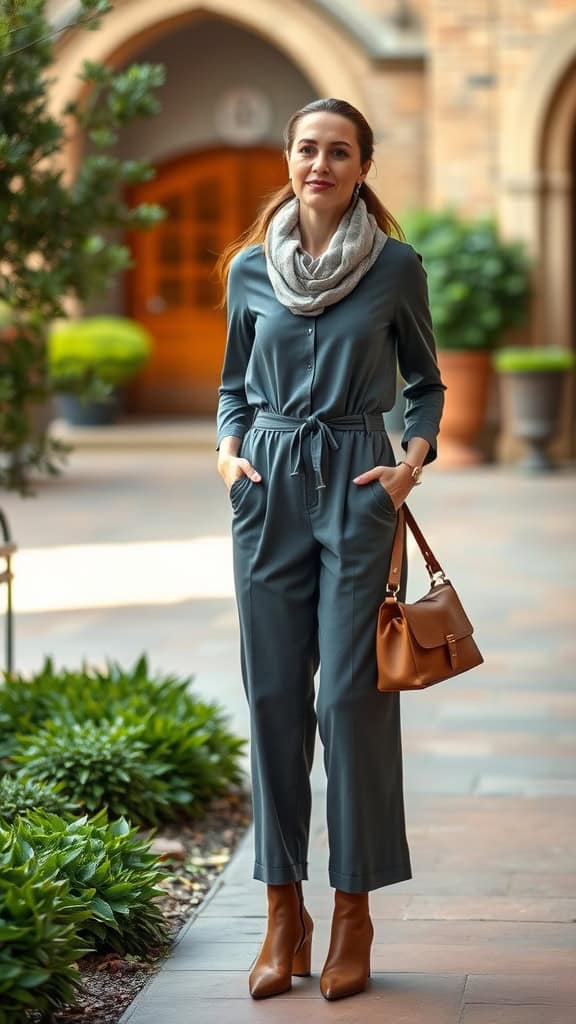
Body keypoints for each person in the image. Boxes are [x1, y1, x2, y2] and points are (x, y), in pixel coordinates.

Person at [214, 97, 446, 1002]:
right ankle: (284, 915)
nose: (320, 163)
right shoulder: (246, 272)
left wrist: (410, 463)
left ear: (362, 166)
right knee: (273, 696)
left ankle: (353, 912)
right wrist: (230, 452)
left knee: (351, 699)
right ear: (288, 158)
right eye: (308, 148)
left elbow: (424, 383)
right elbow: (234, 384)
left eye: (338, 152)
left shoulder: (394, 268)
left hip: (357, 483)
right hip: (266, 487)